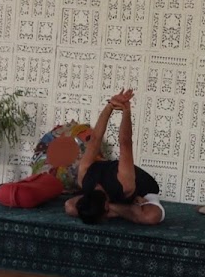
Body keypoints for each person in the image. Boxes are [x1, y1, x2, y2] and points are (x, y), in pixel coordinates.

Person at [63, 88, 164, 225]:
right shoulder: (86, 181)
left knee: (150, 217)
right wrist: (111, 105)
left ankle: (119, 209)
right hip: (113, 198)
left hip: (141, 189)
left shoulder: (123, 184)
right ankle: (123, 209)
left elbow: (124, 143)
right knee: (70, 207)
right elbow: (96, 140)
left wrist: (123, 109)